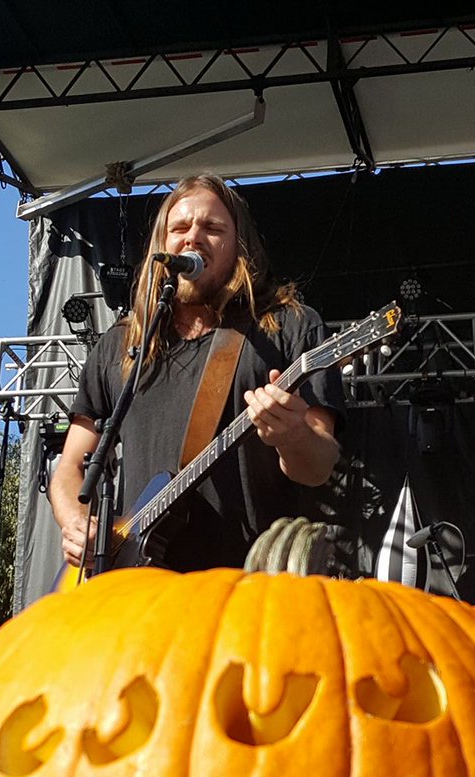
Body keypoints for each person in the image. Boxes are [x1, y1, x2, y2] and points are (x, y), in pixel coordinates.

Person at [50, 173, 345, 573]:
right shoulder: (120, 345)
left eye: (212, 227)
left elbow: (319, 466)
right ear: (163, 246)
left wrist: (293, 436)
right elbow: (71, 465)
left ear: (240, 246)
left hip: (249, 588)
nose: (193, 237)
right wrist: (75, 523)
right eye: (180, 227)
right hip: (138, 590)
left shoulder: (288, 327)